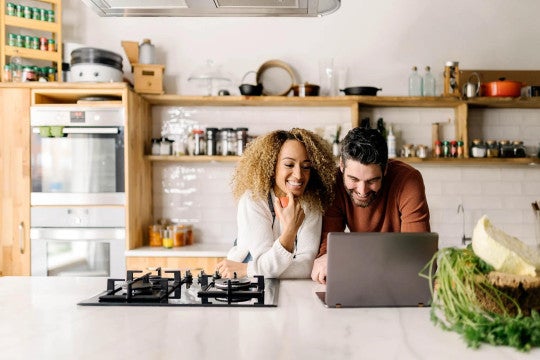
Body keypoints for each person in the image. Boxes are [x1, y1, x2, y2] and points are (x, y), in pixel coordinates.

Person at [311, 127, 431, 284]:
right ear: (341, 166)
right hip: (367, 275)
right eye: (353, 179)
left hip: (400, 279)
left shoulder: (408, 180)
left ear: (385, 169)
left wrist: (345, 256)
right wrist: (325, 258)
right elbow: (328, 246)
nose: (362, 191)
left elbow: (417, 251)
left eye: (372, 180)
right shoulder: (334, 183)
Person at [216, 128, 337, 279]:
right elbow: (264, 265)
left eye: (306, 166)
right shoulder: (254, 199)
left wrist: (247, 269)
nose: (299, 175)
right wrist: (290, 230)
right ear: (272, 166)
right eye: (289, 165)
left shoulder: (312, 204)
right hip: (247, 284)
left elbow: (306, 266)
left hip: (251, 274)